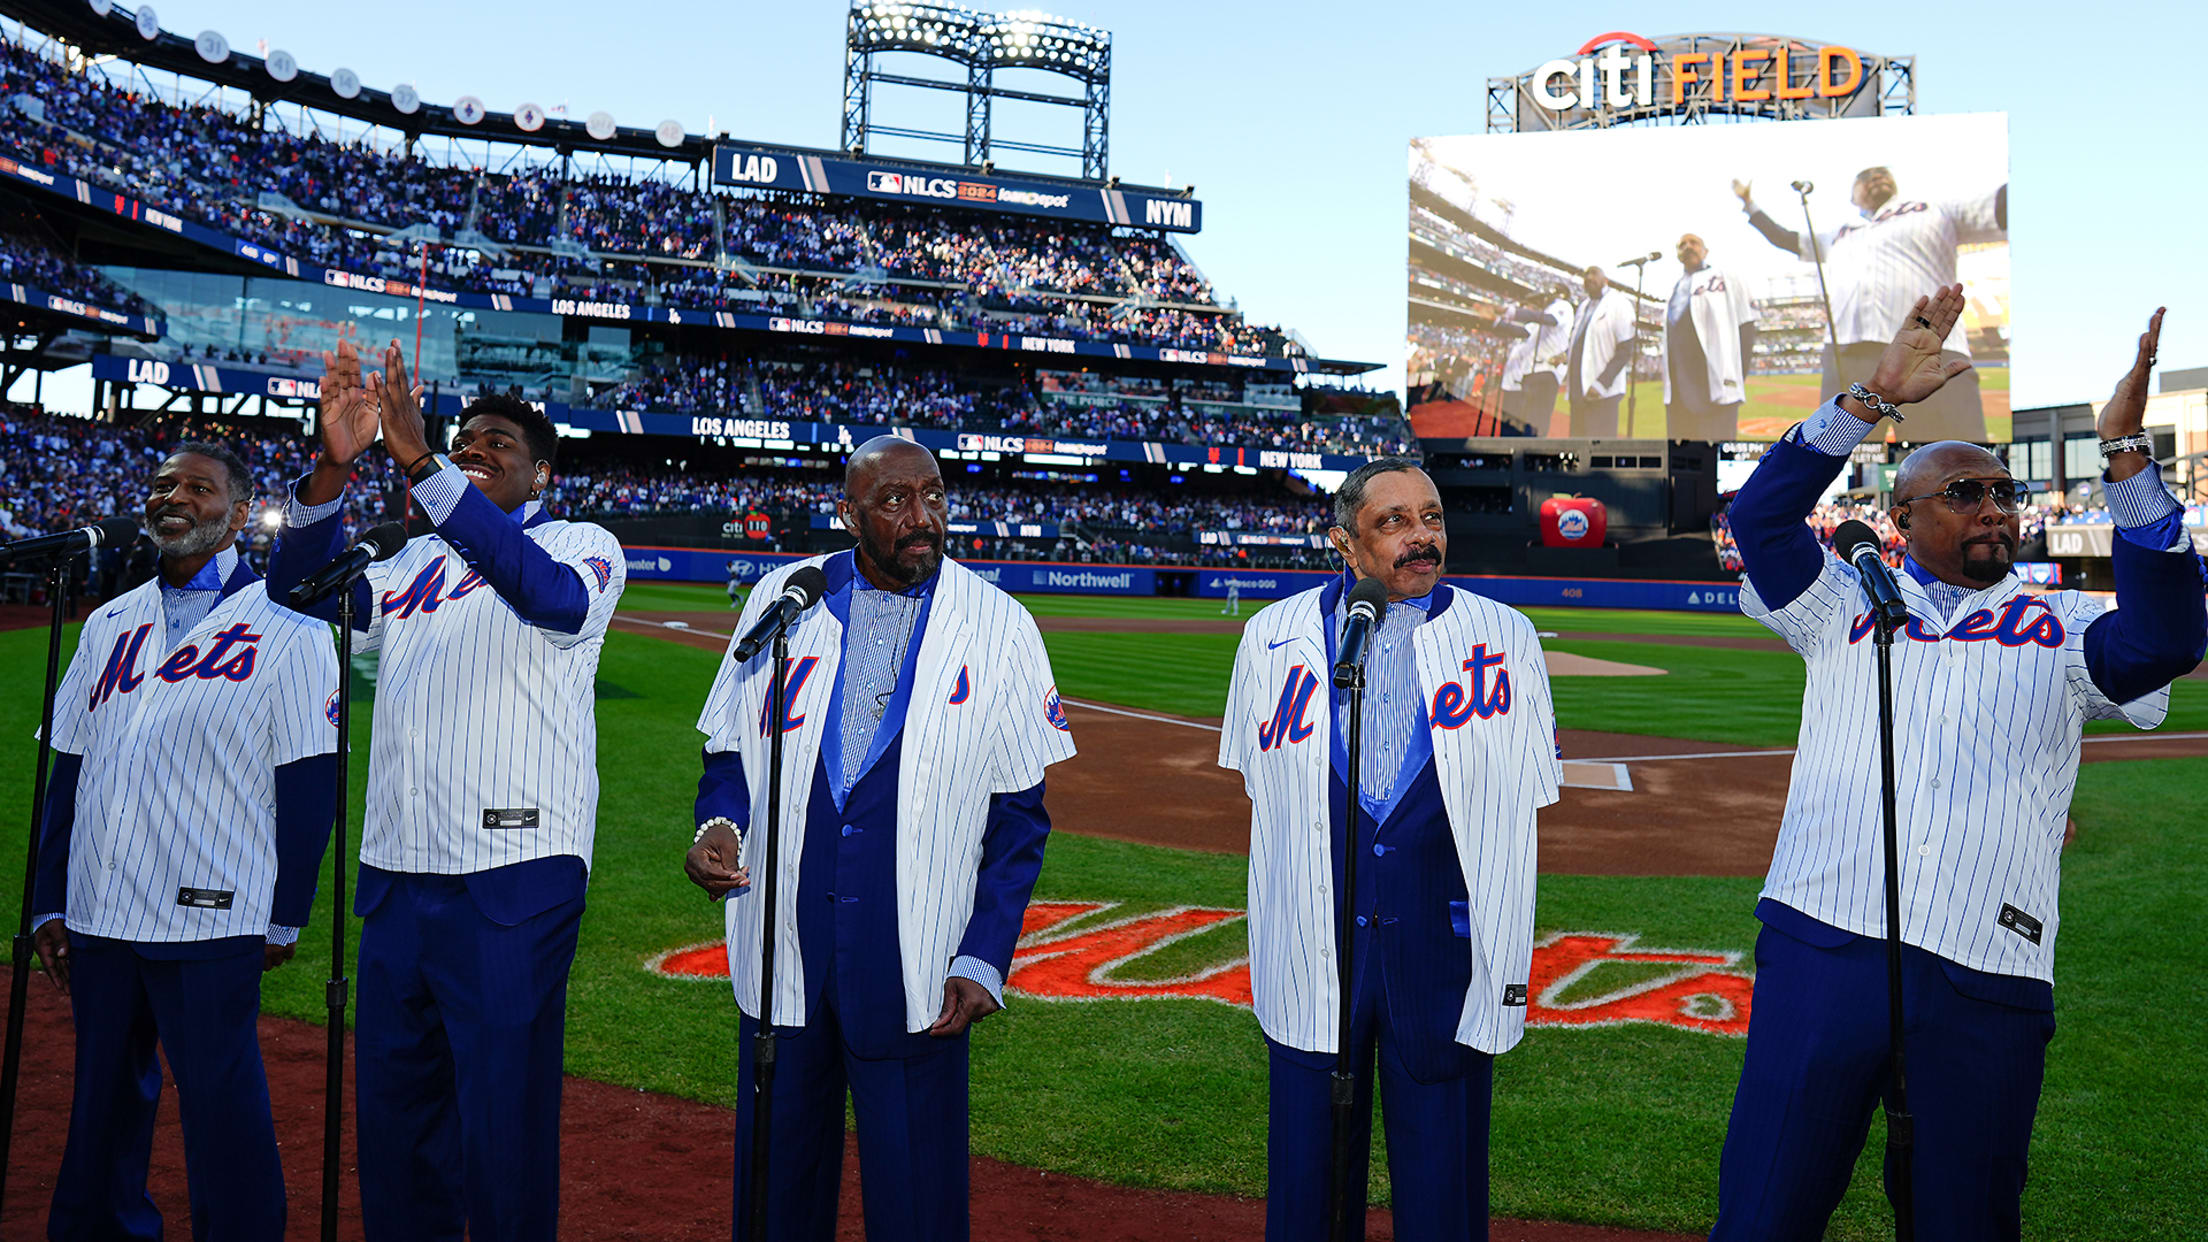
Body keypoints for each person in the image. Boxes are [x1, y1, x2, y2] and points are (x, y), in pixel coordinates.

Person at [1713, 290, 2203, 1240]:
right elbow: (1764, 520)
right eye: (1964, 492)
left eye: (2004, 492)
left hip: (1988, 968)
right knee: (1766, 1209)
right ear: (1900, 517)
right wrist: (1871, 397)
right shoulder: (1836, 599)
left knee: (1966, 1221)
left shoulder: (2065, 629)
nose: (1994, 507)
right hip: (1826, 943)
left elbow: (2169, 639)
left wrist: (2126, 458)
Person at [267, 340, 627, 1242]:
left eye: (499, 442)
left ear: (543, 470)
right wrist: (331, 469)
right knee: (395, 1125)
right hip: (397, 879)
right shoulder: (409, 566)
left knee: (502, 1125)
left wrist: (425, 462)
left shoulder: (583, 545)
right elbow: (296, 592)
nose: (477, 447)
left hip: (514, 881)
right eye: (467, 438)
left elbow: (546, 597)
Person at [685, 435, 1075, 1242]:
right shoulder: (780, 599)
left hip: (917, 954)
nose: (922, 517)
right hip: (781, 943)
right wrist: (720, 825)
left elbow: (1019, 820)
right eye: (895, 501)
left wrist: (982, 955)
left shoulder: (999, 625)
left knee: (918, 1198)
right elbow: (726, 750)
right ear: (849, 513)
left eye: (933, 496)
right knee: (775, 1185)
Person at [1218, 457, 1563, 1242]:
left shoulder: (1505, 636)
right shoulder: (1270, 637)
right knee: (1307, 1187)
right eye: (1395, 522)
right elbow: (1259, 790)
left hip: (1445, 951)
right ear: (1343, 541)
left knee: (1445, 1191)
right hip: (1312, 945)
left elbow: (1527, 795)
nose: (1422, 537)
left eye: (1431, 517)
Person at [30, 442, 338, 1242]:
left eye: (199, 489)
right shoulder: (107, 621)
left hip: (212, 915)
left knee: (222, 1112)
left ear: (239, 514)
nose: (175, 498)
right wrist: (44, 901)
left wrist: (284, 916)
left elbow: (309, 784)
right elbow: (66, 764)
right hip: (101, 912)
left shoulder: (290, 626)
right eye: (165, 486)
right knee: (99, 1108)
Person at [1732, 167, 2006, 439]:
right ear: (1853, 197)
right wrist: (1749, 205)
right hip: (1848, 353)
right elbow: (1786, 239)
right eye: (1864, 178)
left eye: (1883, 173)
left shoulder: (1932, 209)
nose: (1875, 177)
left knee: (1950, 455)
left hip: (1931, 349)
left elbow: (2001, 206)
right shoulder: (1839, 233)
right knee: (1833, 452)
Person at [1660, 233, 1758, 441]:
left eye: (1694, 243)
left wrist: (1737, 375)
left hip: (1716, 388)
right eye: (1682, 245)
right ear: (1678, 255)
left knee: (1716, 461)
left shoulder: (1726, 277)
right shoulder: (1673, 289)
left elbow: (1747, 327)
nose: (1688, 247)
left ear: (1705, 251)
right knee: (1682, 464)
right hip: (1678, 394)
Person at [1565, 266, 1636, 436]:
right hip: (1577, 391)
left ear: (1606, 280)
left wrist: (1602, 383)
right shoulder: (1583, 307)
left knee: (1599, 452)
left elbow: (1625, 349)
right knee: (1576, 451)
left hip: (1602, 394)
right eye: (1586, 274)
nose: (1589, 277)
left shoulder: (1619, 303)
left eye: (1594, 273)